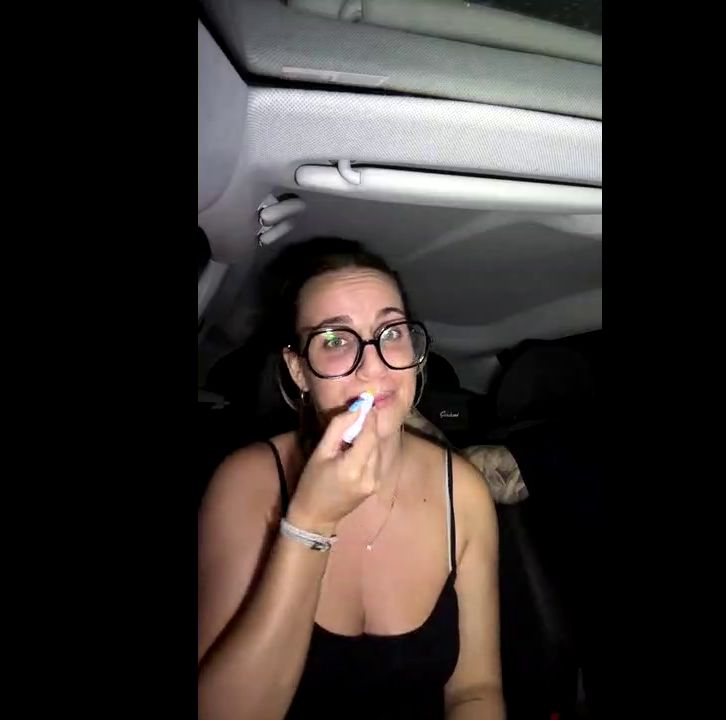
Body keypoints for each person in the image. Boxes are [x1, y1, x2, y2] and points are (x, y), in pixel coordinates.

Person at [198, 239, 504, 720]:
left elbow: (475, 690)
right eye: (335, 340)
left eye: (391, 332)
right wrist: (309, 522)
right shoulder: (246, 483)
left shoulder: (463, 492)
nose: (374, 365)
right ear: (299, 370)